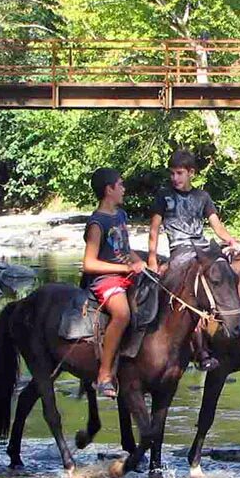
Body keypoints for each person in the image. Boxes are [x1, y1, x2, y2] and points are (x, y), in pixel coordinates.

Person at [147, 149, 240, 370]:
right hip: (180, 251)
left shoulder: (202, 197)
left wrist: (233, 243)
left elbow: (217, 226)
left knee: (225, 273)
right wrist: (153, 260)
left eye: (180, 173)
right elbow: (154, 229)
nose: (175, 178)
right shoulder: (164, 197)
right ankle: (201, 350)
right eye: (172, 173)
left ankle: (231, 322)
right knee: (189, 291)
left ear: (191, 173)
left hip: (203, 247)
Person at [82, 167, 146, 398]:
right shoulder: (97, 223)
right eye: (120, 185)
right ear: (109, 190)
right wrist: (125, 268)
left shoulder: (120, 215)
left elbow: (125, 250)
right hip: (106, 279)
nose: (124, 189)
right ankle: (104, 374)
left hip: (125, 274)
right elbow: (89, 263)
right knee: (122, 314)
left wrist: (143, 263)